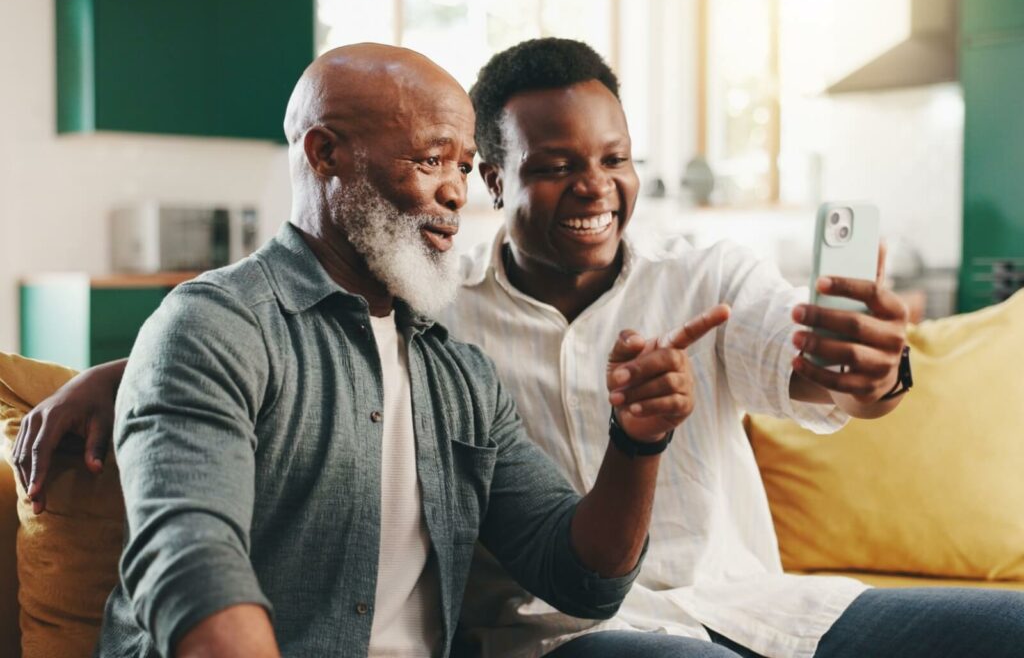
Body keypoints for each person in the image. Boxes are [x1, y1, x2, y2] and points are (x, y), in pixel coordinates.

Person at [16, 39, 1024, 657]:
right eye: (436, 162)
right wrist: (137, 365)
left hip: (756, 607)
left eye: (614, 160)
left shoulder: (459, 350)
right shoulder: (393, 316)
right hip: (569, 646)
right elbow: (196, 553)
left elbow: (811, 379)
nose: (593, 188)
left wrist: (865, 371)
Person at [13, 43, 729, 658]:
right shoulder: (216, 326)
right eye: (429, 159)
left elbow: (582, 578)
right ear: (325, 153)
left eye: (465, 165)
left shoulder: (456, 370)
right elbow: (194, 568)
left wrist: (638, 442)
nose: (455, 192)